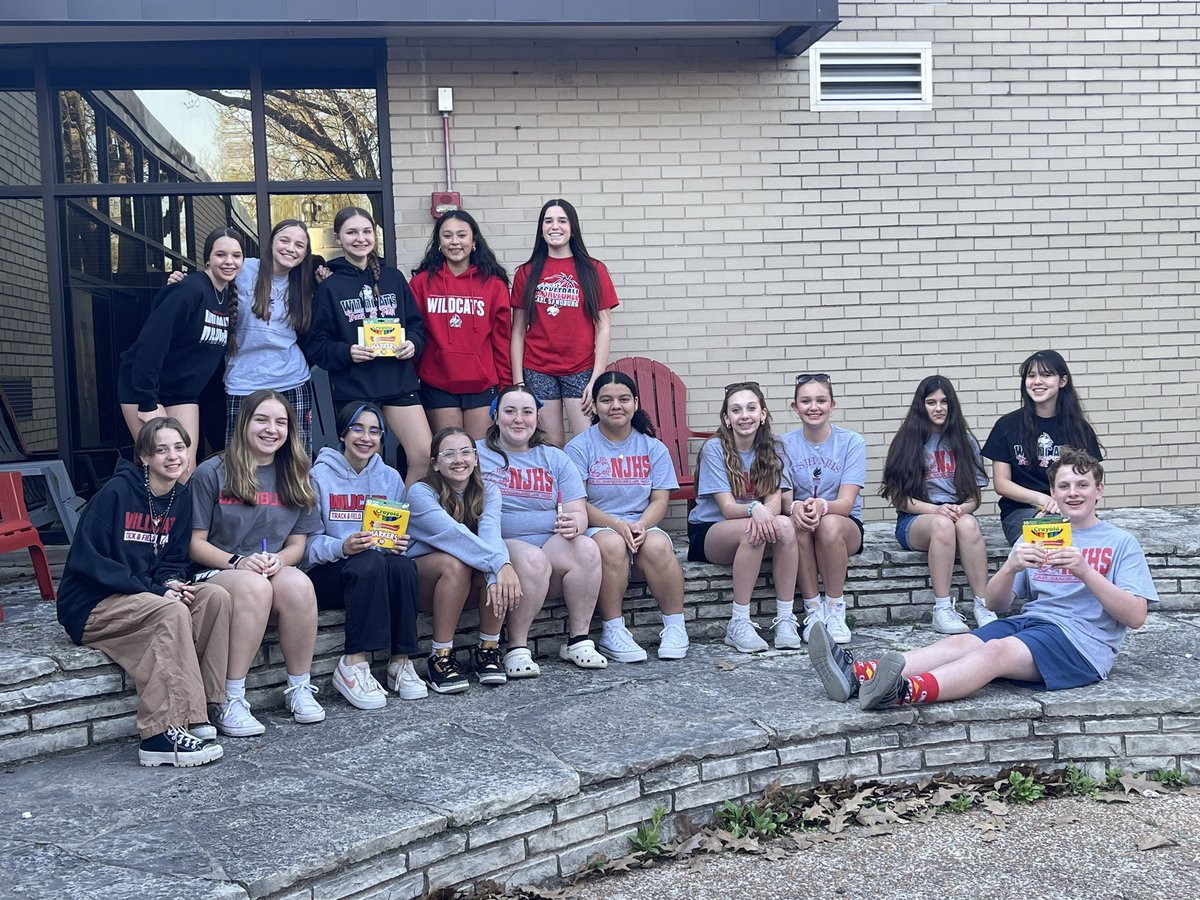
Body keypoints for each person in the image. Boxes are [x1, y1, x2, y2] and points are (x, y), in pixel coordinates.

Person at [811, 449, 1157, 711]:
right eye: (1064, 485)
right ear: (1053, 491)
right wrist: (1011, 568)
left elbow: (1135, 616)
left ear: (1100, 490)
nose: (1073, 492)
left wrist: (1085, 571)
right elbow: (995, 604)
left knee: (996, 651)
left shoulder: (1120, 541)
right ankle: (858, 673)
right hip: (1033, 624)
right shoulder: (1037, 534)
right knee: (963, 643)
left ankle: (903, 692)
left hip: (1082, 646)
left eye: (1083, 485)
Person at [57, 418, 229, 768]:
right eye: (161, 449)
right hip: (92, 604)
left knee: (214, 598)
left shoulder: (180, 499)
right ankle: (159, 734)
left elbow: (172, 561)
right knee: (170, 611)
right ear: (144, 457)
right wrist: (155, 592)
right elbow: (91, 563)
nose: (173, 456)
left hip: (141, 599)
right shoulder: (116, 493)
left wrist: (168, 584)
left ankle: (201, 710)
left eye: (179, 448)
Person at [189, 389, 324, 736]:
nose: (271, 429)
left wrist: (278, 561)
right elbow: (195, 544)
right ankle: (228, 699)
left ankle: (299, 687)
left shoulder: (297, 472)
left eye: (280, 422)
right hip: (219, 570)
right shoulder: (212, 472)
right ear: (244, 422)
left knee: (299, 585)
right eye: (262, 419)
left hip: (268, 567)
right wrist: (238, 562)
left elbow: (298, 544)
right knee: (254, 587)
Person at [476, 385, 608, 668]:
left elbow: (577, 509)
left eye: (527, 412)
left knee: (586, 547)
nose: (518, 419)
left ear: (537, 417)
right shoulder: (477, 454)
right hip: (501, 541)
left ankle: (579, 640)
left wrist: (576, 523)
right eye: (510, 411)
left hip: (548, 540)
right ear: (496, 416)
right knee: (533, 560)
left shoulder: (555, 457)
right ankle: (517, 647)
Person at [304, 403, 423, 708]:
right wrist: (342, 546)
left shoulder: (390, 478)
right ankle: (353, 663)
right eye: (357, 428)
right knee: (368, 562)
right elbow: (306, 546)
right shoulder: (318, 477)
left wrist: (397, 543)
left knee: (403, 566)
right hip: (328, 572)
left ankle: (400, 662)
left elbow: (395, 533)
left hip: (373, 569)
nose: (366, 438)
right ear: (343, 434)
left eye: (374, 431)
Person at [565, 371, 689, 661]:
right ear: (594, 406)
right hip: (598, 525)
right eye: (606, 400)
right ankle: (613, 630)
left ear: (635, 403)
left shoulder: (653, 447)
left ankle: (674, 626)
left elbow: (660, 499)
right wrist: (617, 525)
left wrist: (641, 526)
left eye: (623, 399)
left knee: (658, 546)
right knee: (611, 544)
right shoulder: (579, 447)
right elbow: (578, 503)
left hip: (640, 523)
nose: (615, 406)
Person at [306, 206, 431, 483]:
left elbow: (416, 326)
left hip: (399, 384)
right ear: (338, 237)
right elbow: (316, 344)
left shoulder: (393, 278)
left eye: (366, 231)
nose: (360, 238)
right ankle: (360, 524)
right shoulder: (330, 286)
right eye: (351, 232)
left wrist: (412, 343)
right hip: (355, 388)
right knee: (362, 464)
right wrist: (347, 352)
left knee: (423, 456)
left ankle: (402, 522)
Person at [406, 427, 533, 692]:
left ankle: (488, 648)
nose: (459, 460)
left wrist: (501, 566)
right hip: (423, 581)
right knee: (459, 563)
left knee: (498, 557)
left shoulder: (489, 491)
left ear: (476, 458)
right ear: (435, 464)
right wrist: (499, 564)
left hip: (464, 583)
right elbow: (454, 536)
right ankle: (440, 656)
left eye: (466, 452)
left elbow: (489, 535)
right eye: (449, 454)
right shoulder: (420, 493)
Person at [117, 227, 244, 479]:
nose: (229, 261)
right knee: (161, 468)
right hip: (145, 389)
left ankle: (183, 520)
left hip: (182, 394)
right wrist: (147, 402)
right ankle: (148, 518)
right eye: (221, 255)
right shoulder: (191, 289)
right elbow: (150, 345)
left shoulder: (224, 296)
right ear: (208, 259)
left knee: (186, 469)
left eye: (236, 255)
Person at [687, 382, 798, 654]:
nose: (744, 415)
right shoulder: (715, 449)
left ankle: (785, 618)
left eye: (751, 408)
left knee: (785, 525)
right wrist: (753, 509)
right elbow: (726, 507)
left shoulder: (775, 447)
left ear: (763, 414)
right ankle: (739, 622)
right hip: (711, 531)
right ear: (727, 419)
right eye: (736, 410)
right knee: (754, 529)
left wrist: (763, 512)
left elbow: (774, 501)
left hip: (754, 526)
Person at [880, 375, 996, 633]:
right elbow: (900, 498)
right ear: (921, 406)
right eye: (931, 402)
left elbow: (974, 496)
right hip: (916, 520)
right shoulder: (907, 442)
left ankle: (983, 604)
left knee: (969, 525)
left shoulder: (966, 442)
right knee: (943, 525)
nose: (939, 408)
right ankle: (942, 608)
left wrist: (963, 509)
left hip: (954, 513)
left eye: (944, 402)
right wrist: (936, 510)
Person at [511, 199, 619, 447]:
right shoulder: (526, 272)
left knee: (586, 441)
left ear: (573, 227)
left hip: (581, 369)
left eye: (562, 220)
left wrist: (596, 379)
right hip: (538, 369)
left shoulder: (594, 270)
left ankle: (583, 488)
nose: (554, 226)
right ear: (541, 228)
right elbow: (517, 331)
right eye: (548, 221)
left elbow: (603, 327)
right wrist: (519, 383)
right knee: (551, 443)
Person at [982, 350, 1103, 545]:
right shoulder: (1006, 426)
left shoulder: (1080, 429)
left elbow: (1091, 479)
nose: (1037, 381)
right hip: (1021, 512)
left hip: (1071, 508)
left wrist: (1066, 504)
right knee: (1049, 533)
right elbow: (1001, 484)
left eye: (1046, 375)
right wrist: (1042, 500)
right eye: (1031, 376)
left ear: (1062, 381)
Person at [409, 210, 512, 440]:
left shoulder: (493, 285)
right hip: (438, 384)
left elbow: (502, 339)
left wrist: (507, 386)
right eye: (447, 236)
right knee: (449, 453)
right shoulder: (421, 284)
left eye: (462, 235)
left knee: (479, 456)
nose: (455, 242)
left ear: (474, 241)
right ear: (439, 242)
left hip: (482, 386)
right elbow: (415, 334)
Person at [780, 374, 866, 645]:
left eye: (821, 400)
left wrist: (821, 505)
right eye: (805, 401)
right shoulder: (782, 444)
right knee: (799, 524)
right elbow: (783, 496)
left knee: (826, 523)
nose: (813, 407)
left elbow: (847, 503)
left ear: (832, 405)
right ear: (795, 407)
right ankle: (813, 611)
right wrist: (795, 507)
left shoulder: (851, 442)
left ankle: (835, 608)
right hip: (804, 523)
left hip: (843, 525)